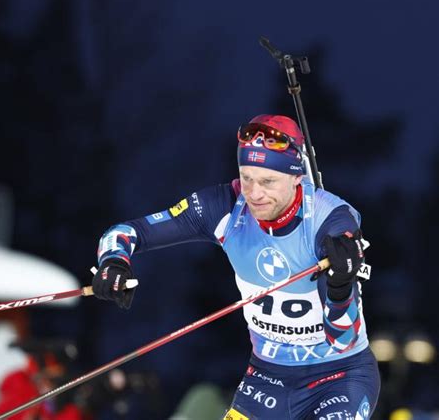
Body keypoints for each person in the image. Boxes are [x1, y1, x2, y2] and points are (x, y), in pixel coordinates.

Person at [92, 114, 380, 419]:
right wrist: (113, 261)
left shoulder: (329, 219)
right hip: (267, 380)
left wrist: (339, 285)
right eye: (247, 177)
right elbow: (127, 232)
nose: (254, 194)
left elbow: (343, 339)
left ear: (297, 177)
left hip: (338, 377)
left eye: (268, 181)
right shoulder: (225, 206)